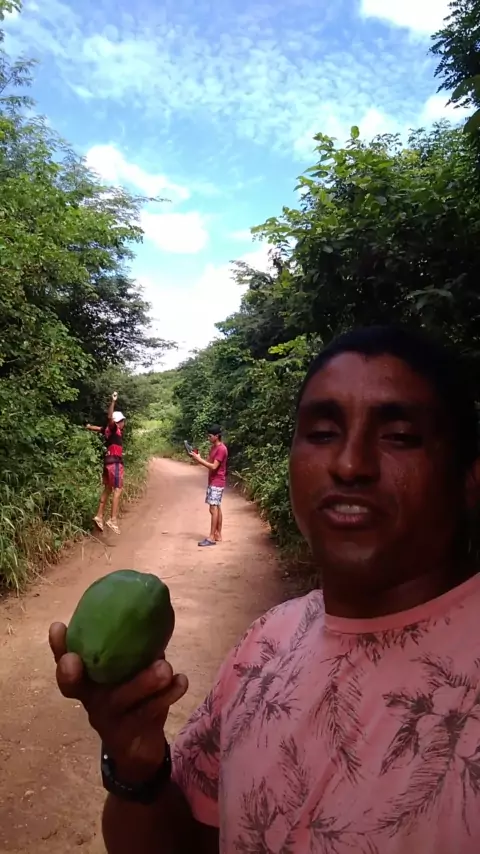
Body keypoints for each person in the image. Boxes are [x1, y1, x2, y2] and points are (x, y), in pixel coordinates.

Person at [51, 325, 480, 853]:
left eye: (399, 436)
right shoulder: (267, 641)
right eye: (322, 433)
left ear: (469, 478)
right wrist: (136, 767)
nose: (349, 464)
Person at [85, 391, 126, 535]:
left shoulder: (108, 430)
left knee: (108, 489)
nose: (124, 423)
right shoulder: (114, 428)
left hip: (107, 462)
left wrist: (89, 427)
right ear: (118, 422)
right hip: (115, 463)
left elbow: (99, 428)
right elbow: (109, 418)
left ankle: (99, 516)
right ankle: (113, 519)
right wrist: (113, 401)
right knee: (118, 489)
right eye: (122, 421)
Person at [189, 425, 228, 547]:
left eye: (210, 436)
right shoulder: (214, 448)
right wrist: (198, 458)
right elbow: (209, 463)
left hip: (217, 481)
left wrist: (199, 460)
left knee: (213, 508)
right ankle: (218, 534)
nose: (208, 438)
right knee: (217, 507)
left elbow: (214, 467)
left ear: (217, 436)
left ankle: (211, 537)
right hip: (213, 481)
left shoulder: (221, 449)